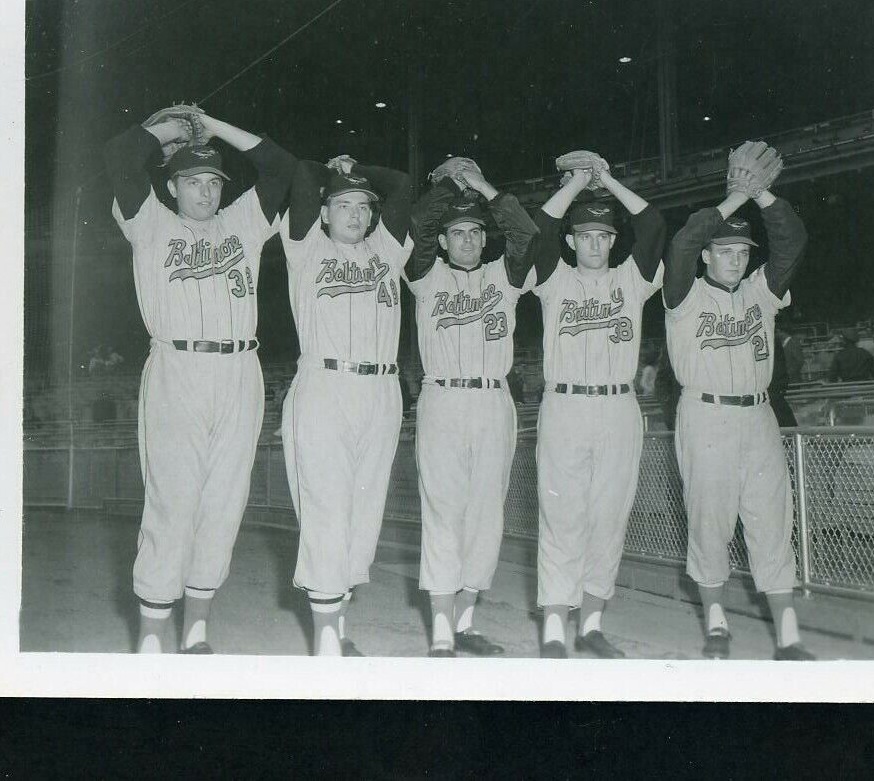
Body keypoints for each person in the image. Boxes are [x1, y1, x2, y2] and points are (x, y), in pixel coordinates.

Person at [103, 104, 295, 654]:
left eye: (214, 180)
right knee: (173, 499)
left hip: (240, 369)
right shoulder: (149, 222)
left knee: (224, 500)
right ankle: (151, 638)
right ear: (172, 184)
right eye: (193, 180)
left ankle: (198, 630)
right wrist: (169, 131)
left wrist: (211, 130)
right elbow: (118, 155)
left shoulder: (242, 222)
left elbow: (281, 168)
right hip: (177, 367)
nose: (206, 192)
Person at [664, 140, 813, 661]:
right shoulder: (682, 293)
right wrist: (734, 198)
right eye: (724, 250)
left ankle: (788, 635)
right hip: (705, 414)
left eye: (742, 252)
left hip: (758, 415)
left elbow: (792, 242)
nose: (734, 259)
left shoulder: (759, 290)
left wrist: (763, 196)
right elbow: (681, 244)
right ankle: (716, 622)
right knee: (710, 521)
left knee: (774, 519)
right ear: (709, 255)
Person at [528, 160, 666, 658]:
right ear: (572, 242)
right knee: (561, 514)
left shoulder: (634, 279)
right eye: (584, 235)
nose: (594, 243)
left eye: (603, 235)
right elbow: (539, 228)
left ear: (613, 241)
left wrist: (606, 181)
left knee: (609, 517)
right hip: (565, 404)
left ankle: (590, 625)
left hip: (618, 407)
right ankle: (552, 628)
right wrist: (576, 185)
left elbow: (652, 225)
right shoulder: (552, 279)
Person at [279, 153, 412, 656]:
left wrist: (360, 171)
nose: (355, 214)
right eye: (343, 204)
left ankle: (336, 623)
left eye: (363, 205)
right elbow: (299, 175)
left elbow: (399, 181)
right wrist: (334, 170)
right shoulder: (305, 248)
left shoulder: (387, 251)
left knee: (362, 514)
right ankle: (326, 640)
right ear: (324, 213)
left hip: (381, 390)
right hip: (325, 383)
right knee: (327, 508)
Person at [404, 160, 538, 658]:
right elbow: (416, 227)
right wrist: (447, 184)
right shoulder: (423, 274)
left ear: (485, 238)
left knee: (486, 512)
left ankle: (466, 621)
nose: (465, 240)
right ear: (444, 241)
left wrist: (482, 186)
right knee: (443, 508)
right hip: (443, 396)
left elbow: (526, 233)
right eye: (456, 232)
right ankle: (441, 626)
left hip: (493, 399)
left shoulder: (505, 277)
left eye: (474, 232)